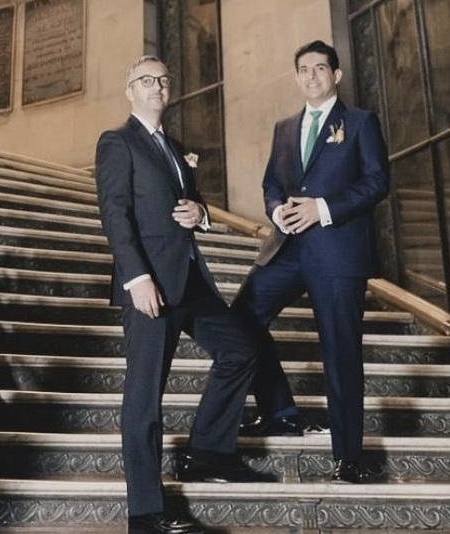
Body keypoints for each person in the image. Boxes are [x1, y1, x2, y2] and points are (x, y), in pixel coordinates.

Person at [95, 55, 268, 534]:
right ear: (130, 90)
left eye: (163, 80)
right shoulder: (117, 142)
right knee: (144, 395)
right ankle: (145, 512)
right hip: (150, 283)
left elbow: (190, 206)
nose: (157, 86)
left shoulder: (174, 147)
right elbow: (115, 213)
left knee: (241, 350)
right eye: (146, 80)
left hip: (190, 278)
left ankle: (208, 452)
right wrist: (136, 278)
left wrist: (201, 214)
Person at [233, 40, 390, 484]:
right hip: (287, 250)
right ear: (297, 77)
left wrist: (322, 208)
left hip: (337, 253)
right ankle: (280, 410)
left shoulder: (359, 122)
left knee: (340, 350)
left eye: (320, 68)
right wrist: (277, 210)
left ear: (335, 75)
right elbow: (271, 184)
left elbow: (377, 181)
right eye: (304, 69)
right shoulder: (284, 127)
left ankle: (349, 457)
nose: (312, 76)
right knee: (241, 317)